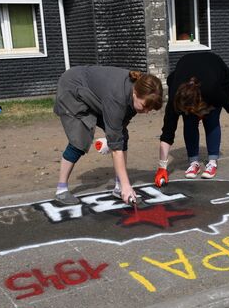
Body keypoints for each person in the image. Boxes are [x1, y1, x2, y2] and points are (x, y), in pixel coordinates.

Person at [53, 65, 163, 205]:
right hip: (73, 90)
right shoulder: (118, 97)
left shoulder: (136, 94)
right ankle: (61, 190)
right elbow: (116, 148)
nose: (146, 112)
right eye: (144, 106)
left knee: (122, 136)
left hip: (95, 95)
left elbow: (119, 128)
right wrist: (127, 185)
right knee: (80, 140)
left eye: (150, 109)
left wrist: (111, 139)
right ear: (135, 93)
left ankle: (119, 187)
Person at [154, 52, 229, 186]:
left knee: (211, 120)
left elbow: (228, 77)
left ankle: (212, 161)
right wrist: (162, 167)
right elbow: (167, 133)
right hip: (187, 67)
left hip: (214, 69)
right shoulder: (175, 97)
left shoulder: (213, 90)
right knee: (189, 122)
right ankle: (193, 162)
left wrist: (205, 112)